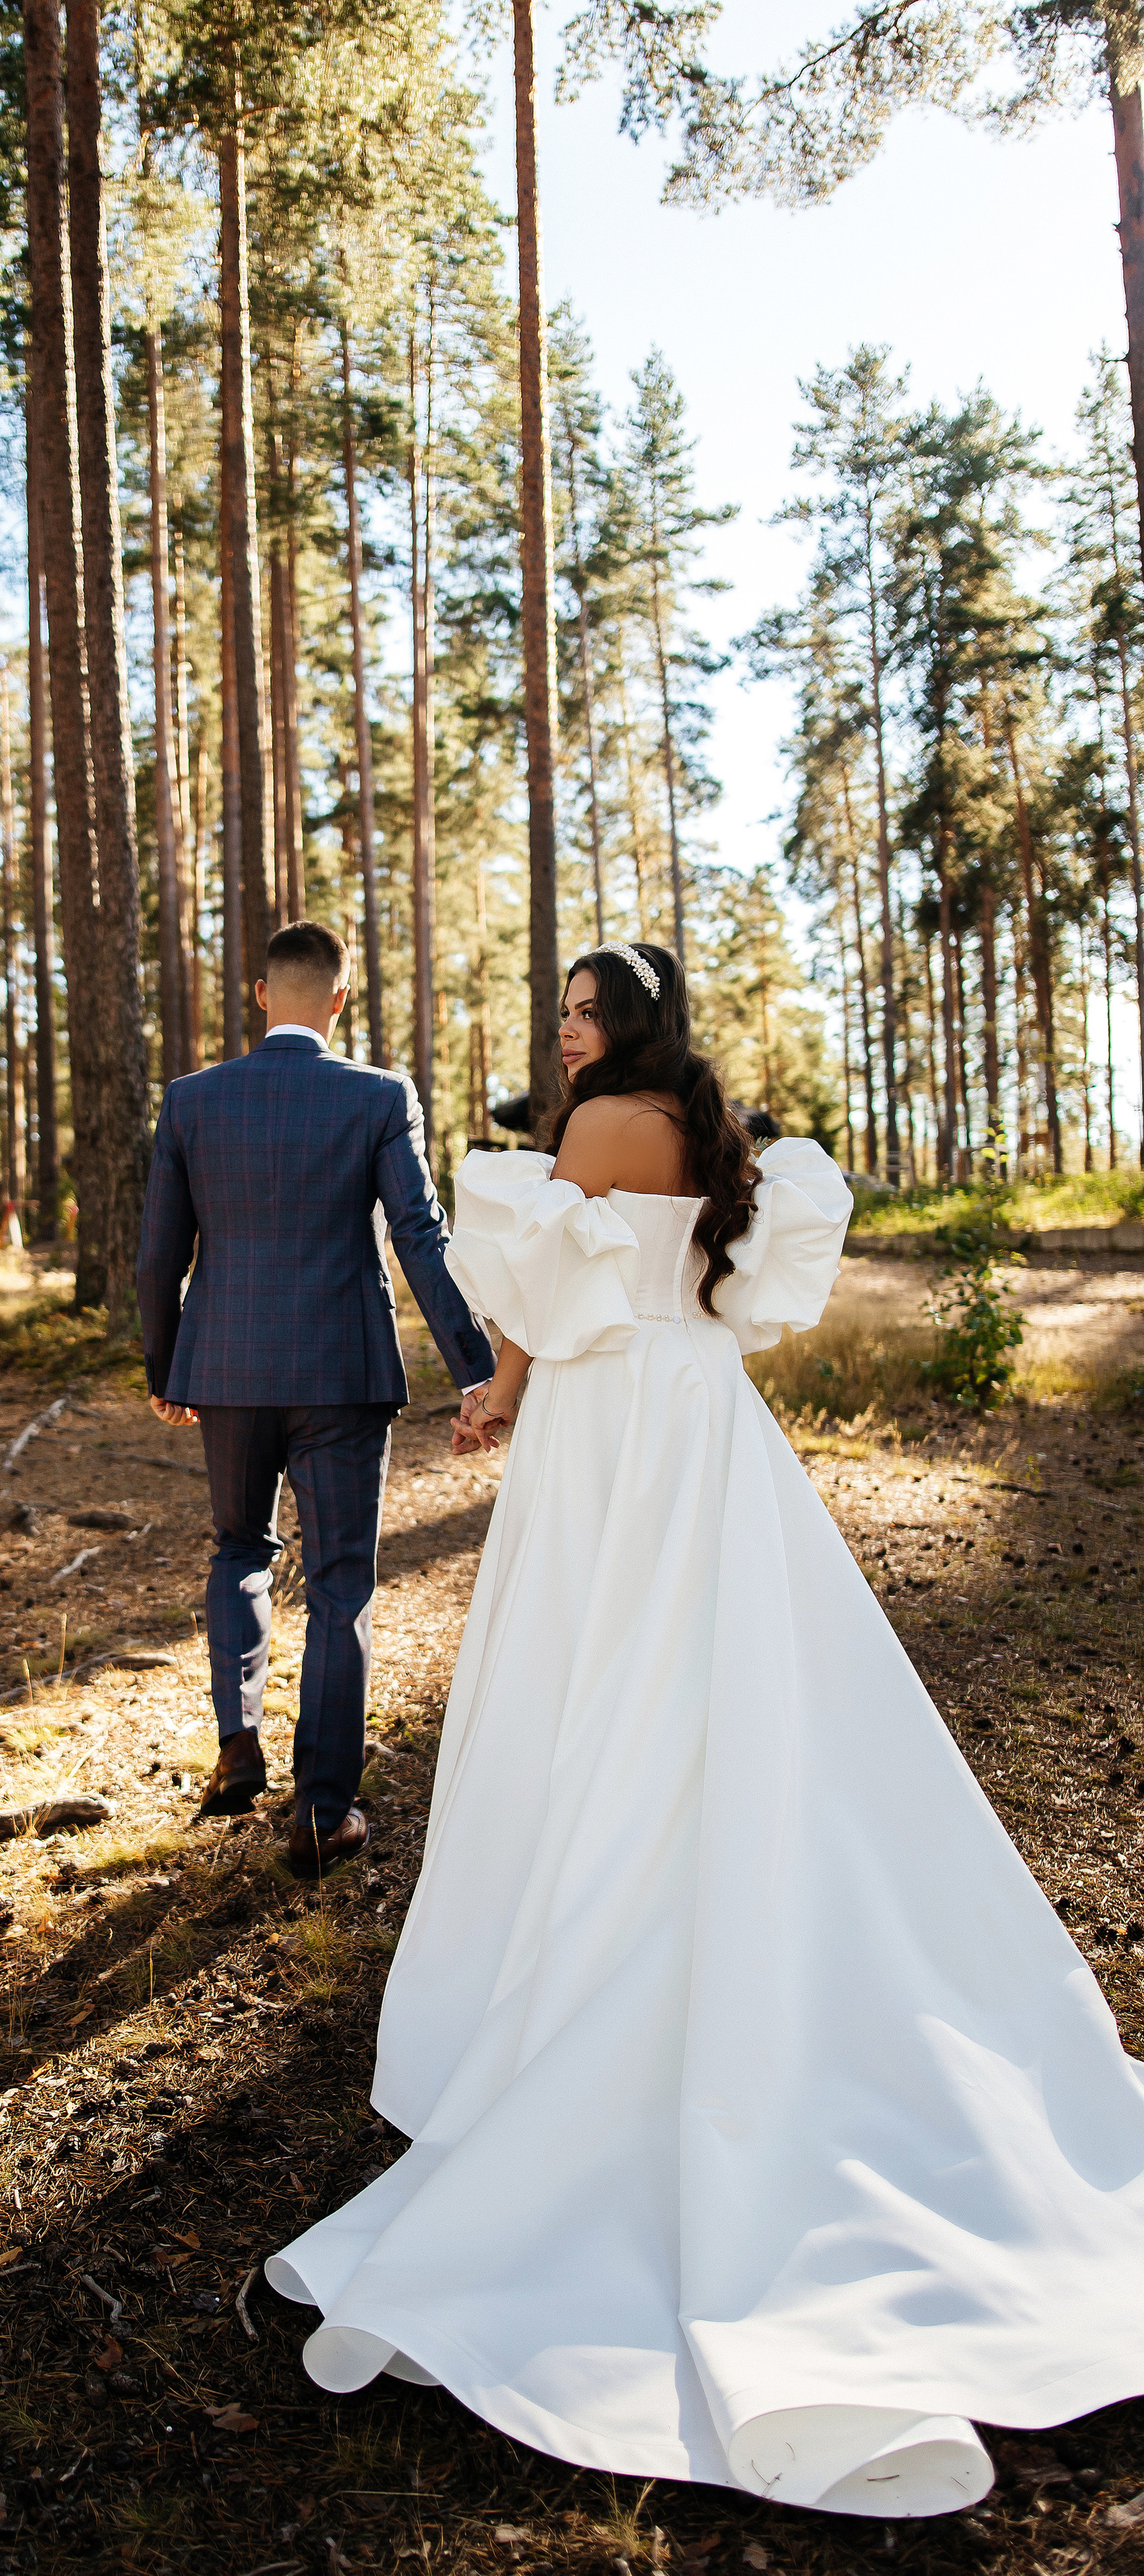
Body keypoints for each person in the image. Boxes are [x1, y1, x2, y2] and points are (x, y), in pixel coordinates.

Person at [266, 938, 1144, 2517]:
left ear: (615, 1025)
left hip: (625, 1432)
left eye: (570, 1011)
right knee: (709, 1682)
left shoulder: (604, 1121)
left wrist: (505, 1378)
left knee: (614, 1690)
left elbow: (528, 1278)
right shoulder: (704, 1128)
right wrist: (507, 1386)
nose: (557, 1031)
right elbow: (628, 1282)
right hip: (685, 1417)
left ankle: (601, 1960)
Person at [136, 919, 495, 1880]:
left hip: (229, 1371)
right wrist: (476, 1367)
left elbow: (159, 1252)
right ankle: (322, 1811)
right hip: (343, 1372)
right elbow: (421, 1234)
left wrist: (168, 1367)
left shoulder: (193, 1102)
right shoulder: (379, 1097)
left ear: (262, 997)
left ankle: (238, 1741)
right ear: (340, 1001)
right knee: (340, 1585)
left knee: (240, 1550)